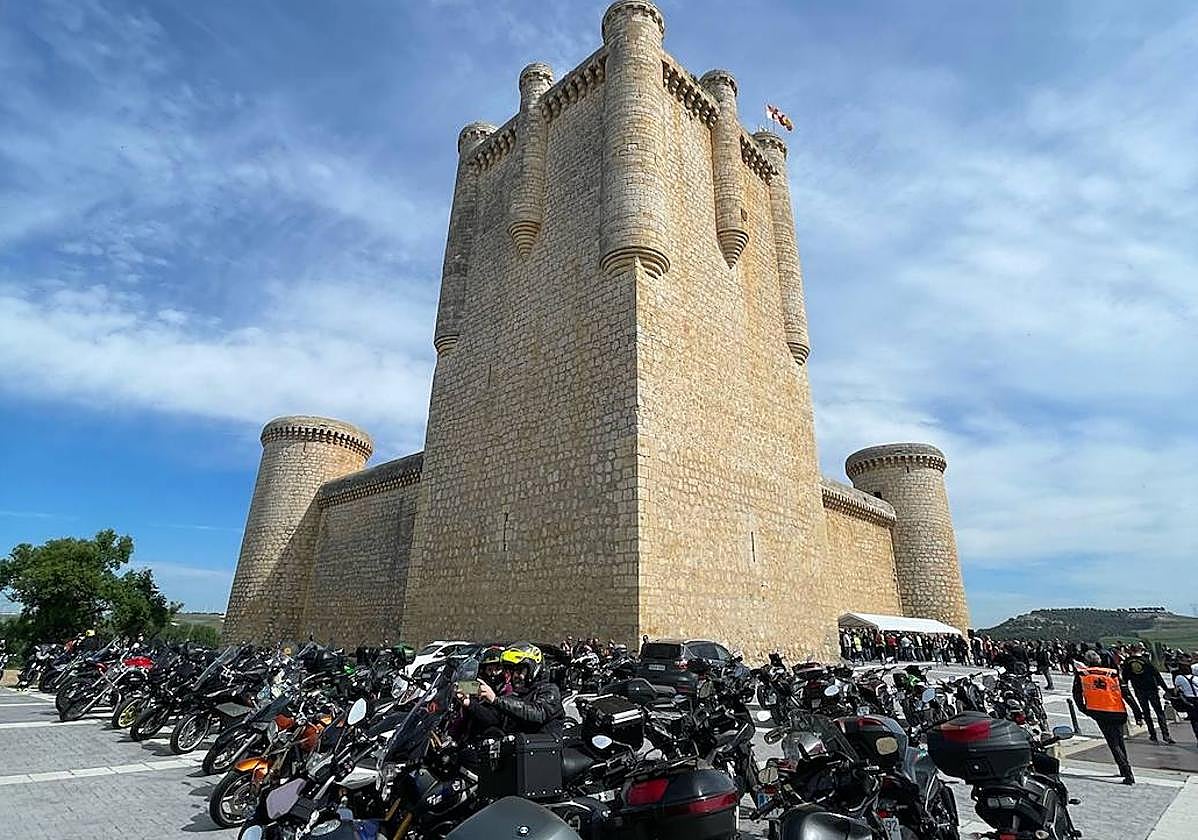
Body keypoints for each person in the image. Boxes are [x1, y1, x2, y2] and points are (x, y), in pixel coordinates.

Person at [469, 642, 564, 738]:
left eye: (519, 670)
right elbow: (494, 719)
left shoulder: (549, 690)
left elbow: (538, 713)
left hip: (541, 750)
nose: (515, 676)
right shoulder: (515, 695)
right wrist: (470, 704)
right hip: (516, 750)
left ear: (533, 668)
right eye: (512, 671)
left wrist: (496, 700)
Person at [1074, 650, 1135, 784]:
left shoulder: (1082, 674)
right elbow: (1126, 693)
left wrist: (1084, 709)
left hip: (1099, 711)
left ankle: (1127, 771)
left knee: (1113, 743)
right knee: (1119, 741)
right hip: (1117, 710)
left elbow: (1077, 695)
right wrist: (1137, 711)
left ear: (1086, 661)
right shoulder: (1112, 673)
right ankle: (1123, 769)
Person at [1122, 643, 1174, 744]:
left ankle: (1152, 735)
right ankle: (1166, 735)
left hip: (1138, 690)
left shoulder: (1127, 662)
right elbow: (1157, 675)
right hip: (1151, 689)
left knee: (1146, 713)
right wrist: (1166, 689)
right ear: (1140, 650)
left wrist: (1126, 690)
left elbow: (1125, 678)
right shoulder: (1146, 661)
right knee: (1159, 712)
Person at [1171, 660, 1198, 746]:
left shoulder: (1179, 678)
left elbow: (1176, 690)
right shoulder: (1196, 678)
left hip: (1189, 701)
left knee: (1194, 721)